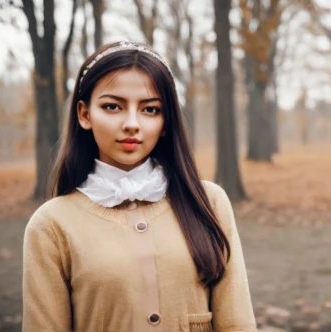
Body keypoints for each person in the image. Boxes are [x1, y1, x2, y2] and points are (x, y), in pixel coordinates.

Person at [22, 41, 257, 332]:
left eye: (150, 109)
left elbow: (238, 323)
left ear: (166, 121)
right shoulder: (51, 225)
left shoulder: (209, 202)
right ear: (84, 114)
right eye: (112, 106)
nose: (132, 124)